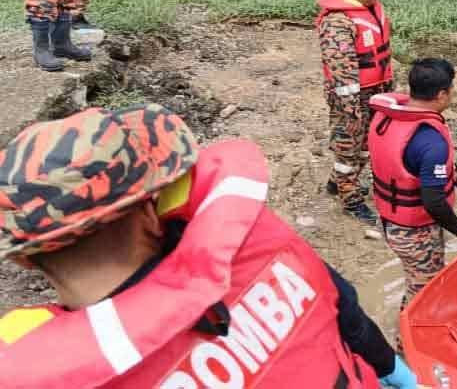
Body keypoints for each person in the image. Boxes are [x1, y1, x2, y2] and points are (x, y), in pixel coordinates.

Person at [0, 104, 418, 389]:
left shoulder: (52, 373)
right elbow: (347, 311)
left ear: (27, 259)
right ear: (150, 208)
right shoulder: (258, 245)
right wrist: (395, 372)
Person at [369, 59, 457, 332]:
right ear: (442, 94)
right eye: (451, 90)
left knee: (415, 283)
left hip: (388, 220)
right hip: (414, 233)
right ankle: (406, 353)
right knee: (424, 294)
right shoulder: (431, 142)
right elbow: (433, 201)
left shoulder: (386, 117)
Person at [316, 0, 394, 225]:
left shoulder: (370, 9)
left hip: (375, 90)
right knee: (349, 147)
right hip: (351, 96)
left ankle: (335, 183)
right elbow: (341, 70)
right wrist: (351, 108)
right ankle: (350, 200)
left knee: (366, 144)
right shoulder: (338, 21)